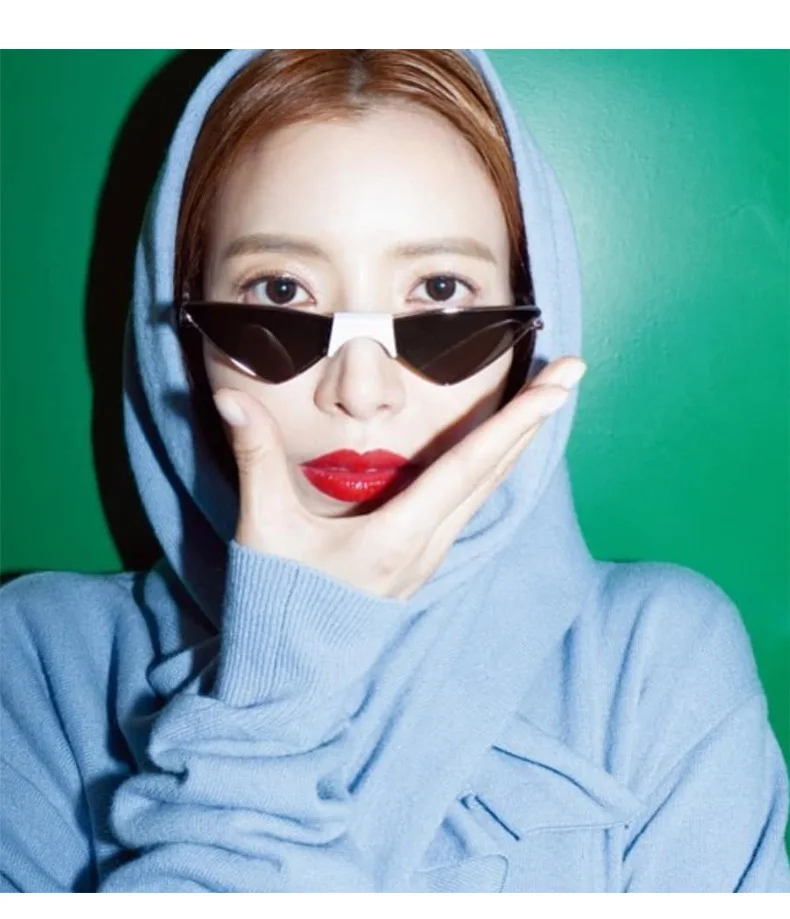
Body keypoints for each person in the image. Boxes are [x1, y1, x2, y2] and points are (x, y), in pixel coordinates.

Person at [1, 48, 788, 894]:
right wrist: (275, 695)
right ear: (180, 333)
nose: (361, 389)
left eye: (440, 291)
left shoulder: (652, 662)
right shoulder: (40, 664)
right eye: (280, 293)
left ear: (535, 323)